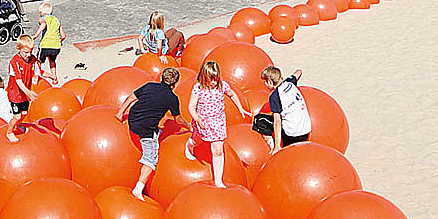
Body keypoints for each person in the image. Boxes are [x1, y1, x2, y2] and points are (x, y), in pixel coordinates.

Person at [118, 66, 182, 201]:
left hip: (133, 119)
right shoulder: (172, 98)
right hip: (145, 129)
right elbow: (178, 120)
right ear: (175, 84)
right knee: (151, 159)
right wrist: (189, 126)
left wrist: (120, 113)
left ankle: (155, 133)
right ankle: (138, 188)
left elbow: (131, 98)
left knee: (156, 130)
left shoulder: (149, 86)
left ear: (161, 78)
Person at [186, 59, 245, 189]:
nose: (213, 82)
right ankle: (190, 145)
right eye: (210, 79)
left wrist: (240, 108)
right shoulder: (198, 88)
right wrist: (197, 118)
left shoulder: (222, 85)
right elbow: (191, 106)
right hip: (203, 121)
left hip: (218, 122)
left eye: (215, 79)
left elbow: (232, 94)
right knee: (198, 140)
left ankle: (218, 180)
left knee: (218, 150)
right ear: (204, 77)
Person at [258, 65, 311, 150]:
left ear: (270, 81)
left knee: (260, 120)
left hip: (292, 135)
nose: (264, 84)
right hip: (305, 131)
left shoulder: (275, 96)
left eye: (265, 82)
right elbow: (299, 71)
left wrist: (277, 147)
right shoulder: (290, 82)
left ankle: (273, 145)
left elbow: (277, 121)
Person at [6, 36, 39, 126]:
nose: (28, 55)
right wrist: (28, 92)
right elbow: (18, 80)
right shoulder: (14, 62)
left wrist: (52, 75)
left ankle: (18, 125)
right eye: (26, 52)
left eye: (31, 52)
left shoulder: (32, 59)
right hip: (15, 94)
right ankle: (9, 132)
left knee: (24, 113)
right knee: (17, 116)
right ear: (19, 49)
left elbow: (39, 71)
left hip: (24, 93)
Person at [34, 3, 65, 84]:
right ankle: (55, 78)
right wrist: (58, 41)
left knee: (38, 61)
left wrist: (35, 36)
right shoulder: (57, 20)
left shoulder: (42, 18)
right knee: (52, 61)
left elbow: (43, 24)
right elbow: (64, 36)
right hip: (56, 47)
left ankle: (36, 79)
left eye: (39, 12)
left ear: (42, 13)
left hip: (45, 45)